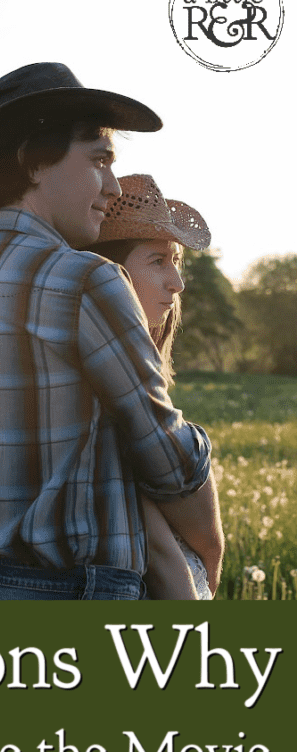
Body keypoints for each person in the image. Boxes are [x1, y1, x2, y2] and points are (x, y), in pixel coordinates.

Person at [0, 62, 220, 600]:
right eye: (99, 161)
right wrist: (209, 553)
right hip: (69, 591)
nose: (112, 185)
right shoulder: (85, 279)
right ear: (34, 160)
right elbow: (166, 461)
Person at [95, 174, 221, 599]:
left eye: (176, 262)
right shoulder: (100, 384)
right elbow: (161, 543)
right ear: (110, 273)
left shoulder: (141, 369)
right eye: (156, 261)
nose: (177, 282)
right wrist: (212, 549)